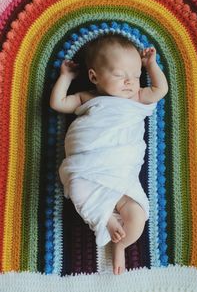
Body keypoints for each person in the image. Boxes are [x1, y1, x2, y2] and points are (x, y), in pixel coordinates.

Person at [50, 34, 168, 275]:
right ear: (94, 76)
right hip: (87, 166)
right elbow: (58, 103)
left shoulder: (137, 98)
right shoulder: (87, 97)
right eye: (120, 75)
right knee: (75, 187)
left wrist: (151, 66)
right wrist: (65, 77)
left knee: (138, 218)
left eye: (135, 76)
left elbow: (160, 89)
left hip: (121, 172)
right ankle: (106, 219)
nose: (129, 82)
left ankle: (121, 245)